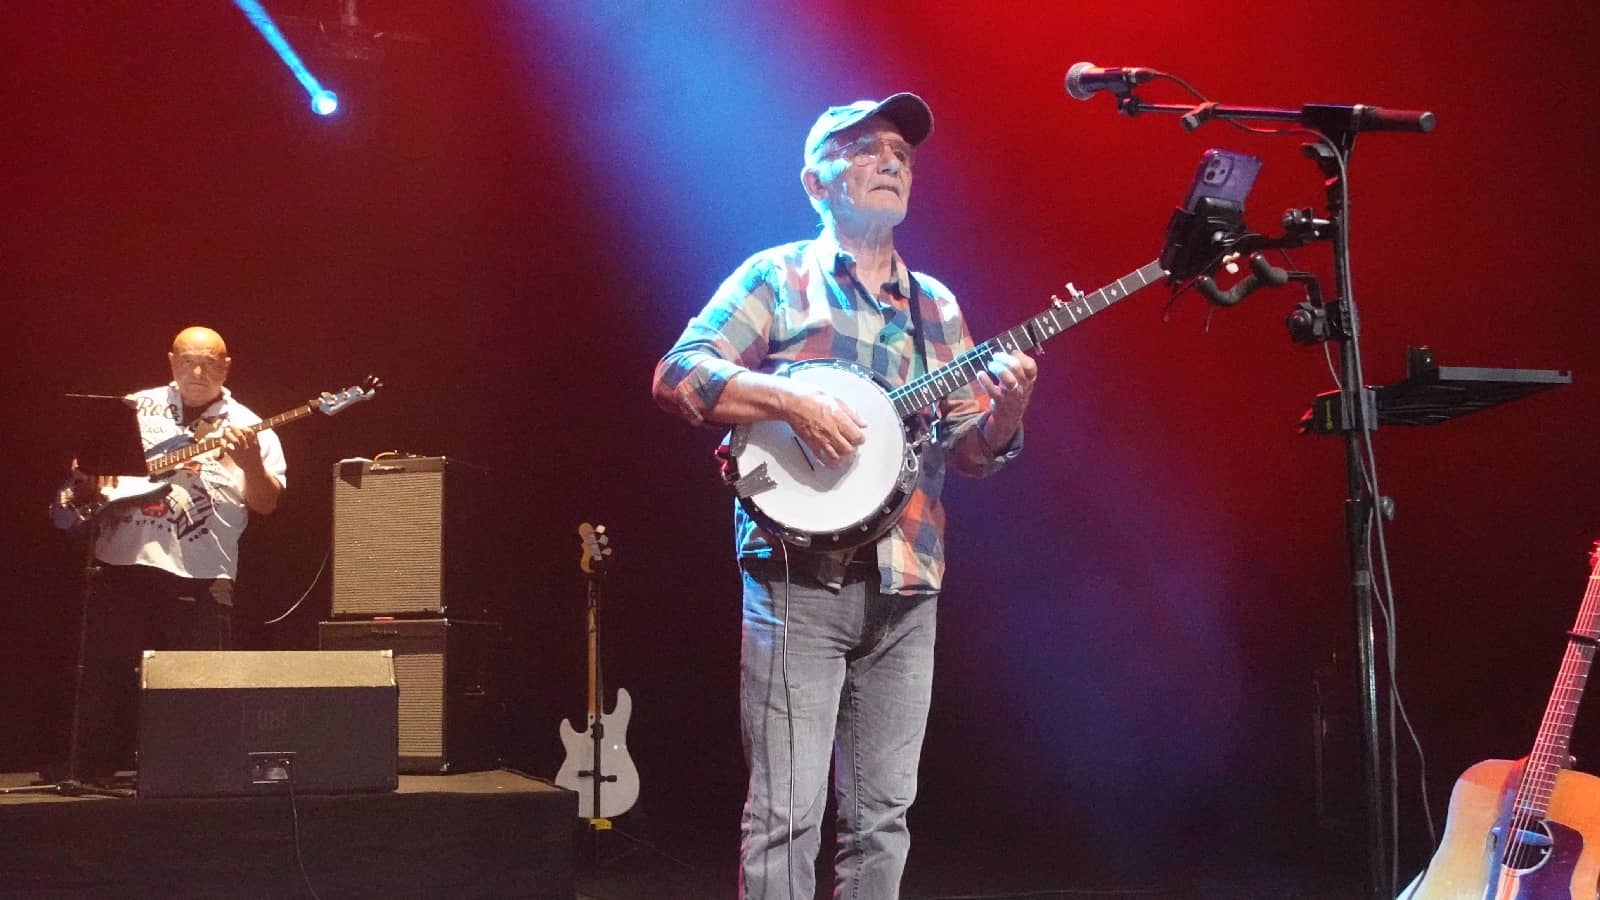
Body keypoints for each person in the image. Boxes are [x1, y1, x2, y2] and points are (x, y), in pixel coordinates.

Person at [651, 93, 1037, 898]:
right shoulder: (777, 276)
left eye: (901, 150)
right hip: (798, 582)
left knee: (882, 817)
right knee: (786, 814)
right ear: (815, 181)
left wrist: (1008, 413)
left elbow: (973, 453)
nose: (892, 160)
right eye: (866, 147)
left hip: (907, 586)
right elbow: (678, 375)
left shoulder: (937, 305)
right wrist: (788, 400)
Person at [57, 325, 287, 781]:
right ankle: (98, 772)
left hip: (202, 572)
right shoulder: (133, 406)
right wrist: (85, 481)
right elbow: (83, 466)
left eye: (209, 362)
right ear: (170, 361)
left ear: (227, 366)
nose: (197, 371)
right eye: (186, 361)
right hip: (124, 562)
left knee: (196, 684)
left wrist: (251, 465)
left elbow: (266, 503)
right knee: (110, 675)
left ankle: (195, 776)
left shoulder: (249, 423)